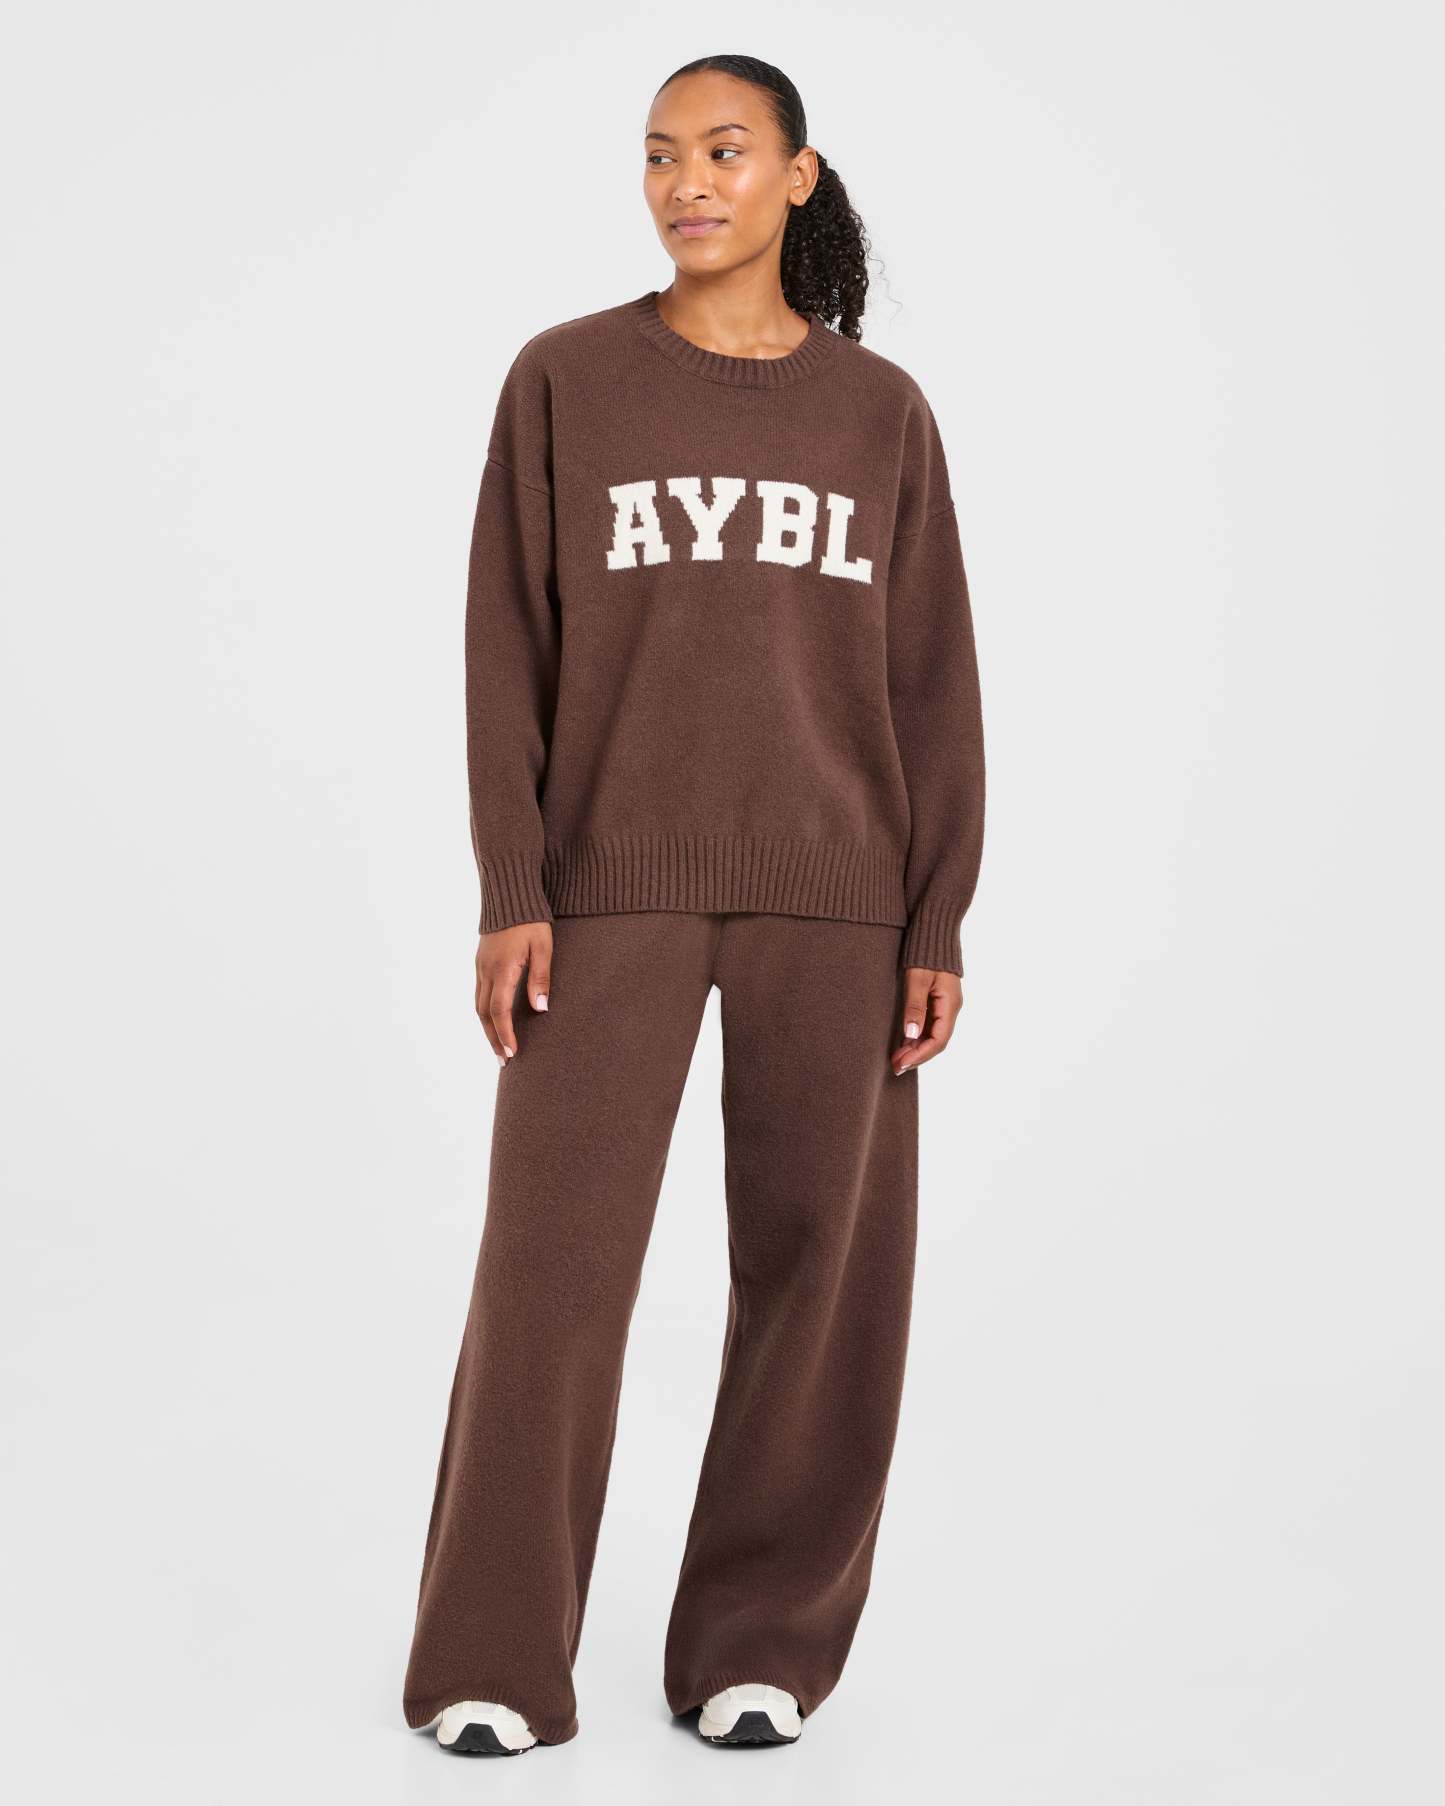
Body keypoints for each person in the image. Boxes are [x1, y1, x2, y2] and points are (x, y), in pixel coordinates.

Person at [402, 52, 987, 1756]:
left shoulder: (880, 413)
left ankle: (758, 1646)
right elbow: (505, 641)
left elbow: (931, 676)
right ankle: (493, 1659)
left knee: (822, 1280)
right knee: (550, 1272)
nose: (686, 184)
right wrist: (512, 882)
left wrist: (934, 915)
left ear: (797, 174)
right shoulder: (566, 379)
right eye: (659, 155)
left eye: (724, 151)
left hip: (839, 903)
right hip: (608, 893)